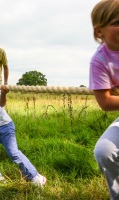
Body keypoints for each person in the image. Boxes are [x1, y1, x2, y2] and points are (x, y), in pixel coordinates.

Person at [89, 0, 119, 199]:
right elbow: (106, 102)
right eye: (117, 22)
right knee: (104, 150)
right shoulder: (99, 61)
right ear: (99, 32)